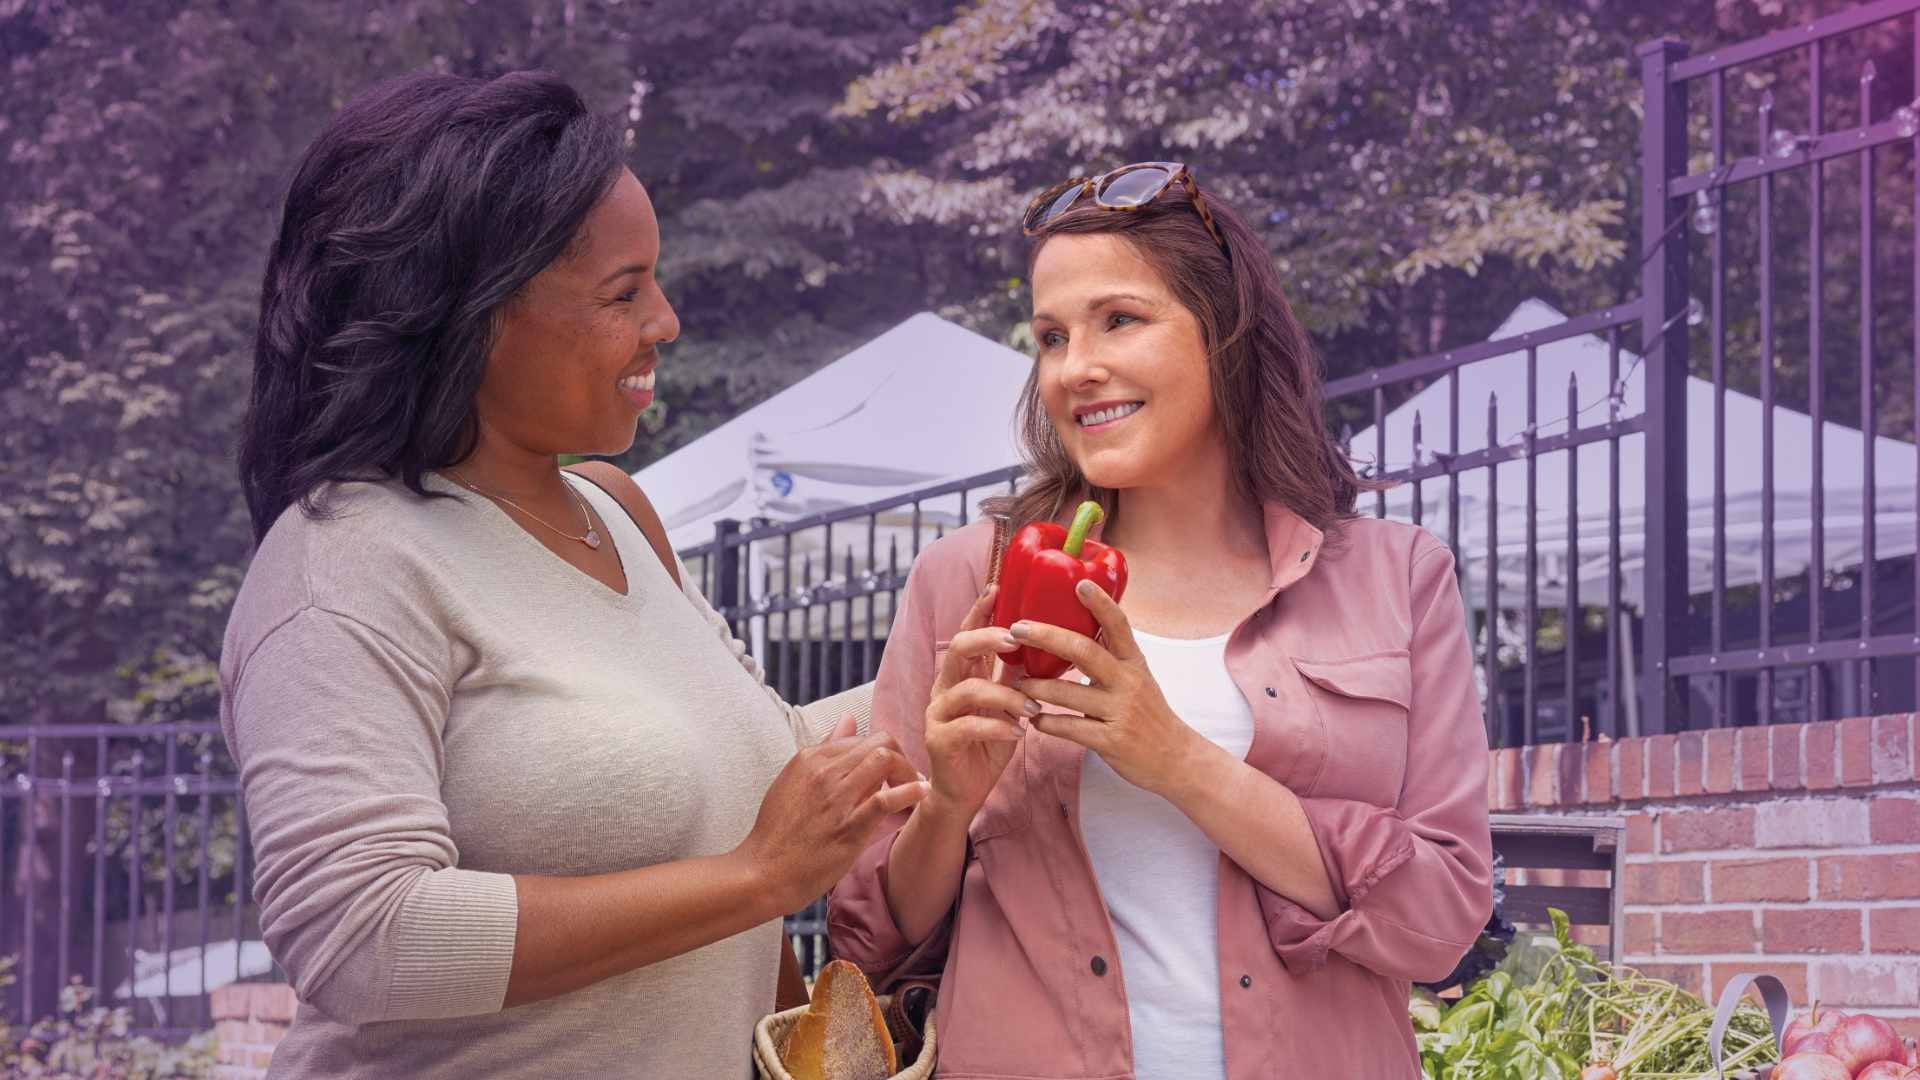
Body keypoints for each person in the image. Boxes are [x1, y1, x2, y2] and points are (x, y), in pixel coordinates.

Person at [220, 69, 927, 1077]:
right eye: (624, 291)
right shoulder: (341, 563)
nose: (667, 321)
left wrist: (948, 658)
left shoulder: (617, 513)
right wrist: (754, 878)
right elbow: (359, 934)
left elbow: (755, 770)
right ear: (469, 317)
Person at [827, 162, 1493, 1078]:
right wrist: (949, 805)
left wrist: (1178, 760)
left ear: (1224, 333)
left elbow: (1441, 921)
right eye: (1052, 337)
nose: (1076, 369)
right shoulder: (965, 579)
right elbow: (867, 940)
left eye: (1120, 321)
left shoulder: (1396, 577)